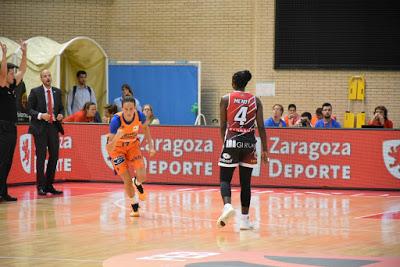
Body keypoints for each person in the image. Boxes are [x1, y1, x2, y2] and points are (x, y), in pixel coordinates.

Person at [217, 70, 268, 230]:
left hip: (231, 142)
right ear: (246, 84)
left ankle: (227, 206)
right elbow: (261, 126)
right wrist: (265, 149)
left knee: (225, 179)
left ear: (233, 82)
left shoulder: (226, 99)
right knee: (246, 184)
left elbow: (223, 125)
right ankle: (245, 221)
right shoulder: (256, 100)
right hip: (249, 145)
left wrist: (223, 142)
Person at [106, 96, 155, 217]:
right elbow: (109, 148)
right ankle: (134, 206)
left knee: (143, 176)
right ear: (122, 108)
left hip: (133, 146)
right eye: (126, 109)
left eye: (131, 109)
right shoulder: (115, 121)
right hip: (117, 150)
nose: (128, 112)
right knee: (126, 180)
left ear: (135, 108)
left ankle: (137, 183)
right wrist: (117, 136)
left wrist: (151, 145)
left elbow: (146, 129)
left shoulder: (139, 116)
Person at [27, 69, 64, 196]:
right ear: (41, 78)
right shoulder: (35, 92)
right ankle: (40, 186)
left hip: (53, 127)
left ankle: (49, 185)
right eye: (44, 76)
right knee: (41, 157)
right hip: (40, 128)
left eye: (49, 75)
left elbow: (61, 108)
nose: (47, 78)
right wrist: (41, 115)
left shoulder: (57, 92)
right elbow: (29, 109)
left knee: (54, 156)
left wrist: (60, 115)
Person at [0, 41, 27, 202]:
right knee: (2, 160)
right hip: (2, 126)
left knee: (8, 161)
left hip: (12, 128)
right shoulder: (2, 84)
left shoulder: (12, 86)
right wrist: (4, 55)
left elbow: (23, 70)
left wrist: (24, 53)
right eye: (12, 72)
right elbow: (2, 73)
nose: (13, 74)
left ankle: (3, 192)